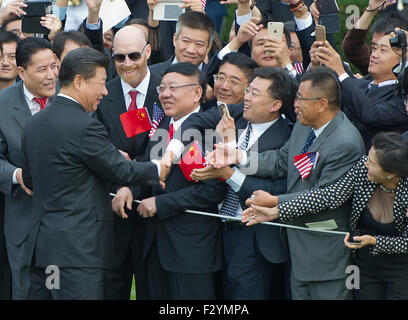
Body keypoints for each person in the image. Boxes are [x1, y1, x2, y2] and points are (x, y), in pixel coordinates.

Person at [206, 67, 365, 300]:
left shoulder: (345, 141)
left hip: (327, 254)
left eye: (301, 98)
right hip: (297, 251)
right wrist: (237, 156)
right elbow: (282, 161)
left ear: (322, 104)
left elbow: (327, 196)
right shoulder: (303, 126)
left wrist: (275, 203)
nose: (295, 104)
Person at [21, 47, 161, 300]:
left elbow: (30, 180)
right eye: (100, 84)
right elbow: (122, 171)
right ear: (78, 81)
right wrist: (162, 166)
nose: (105, 91)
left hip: (45, 252)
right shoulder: (85, 126)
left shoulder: (34, 123)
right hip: (77, 255)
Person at [244, 132, 408, 300]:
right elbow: (330, 196)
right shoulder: (362, 169)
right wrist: (276, 210)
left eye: (372, 163)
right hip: (364, 266)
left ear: (391, 173)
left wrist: (374, 241)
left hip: (401, 268)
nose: (365, 163)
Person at [112, 62, 225, 300]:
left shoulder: (210, 131)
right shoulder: (159, 123)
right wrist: (127, 187)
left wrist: (160, 204)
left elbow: (212, 191)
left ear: (197, 93)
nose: (164, 94)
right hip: (151, 246)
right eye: (162, 88)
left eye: (173, 88)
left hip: (191, 251)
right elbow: (144, 162)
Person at [190, 67, 297, 300]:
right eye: (248, 90)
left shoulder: (286, 140)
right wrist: (221, 146)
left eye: (255, 93)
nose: (246, 97)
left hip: (253, 237)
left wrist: (228, 174)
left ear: (275, 105)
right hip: (217, 231)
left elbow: (273, 193)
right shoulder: (232, 124)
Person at [96, 25, 162, 300]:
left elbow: (167, 147)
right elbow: (94, 144)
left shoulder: (165, 90)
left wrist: (128, 167)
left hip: (155, 214)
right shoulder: (102, 94)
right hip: (114, 215)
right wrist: (112, 158)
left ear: (147, 51)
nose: (127, 64)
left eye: (134, 56)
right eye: (119, 57)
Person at [0, 37, 58, 299]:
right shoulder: (2, 104)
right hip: (22, 222)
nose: (51, 76)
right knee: (25, 292)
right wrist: (15, 175)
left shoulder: (70, 97)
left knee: (57, 289)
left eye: (54, 66)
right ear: (21, 72)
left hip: (64, 225)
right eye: (42, 69)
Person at [313, 29, 408, 151]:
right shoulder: (360, 84)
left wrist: (341, 72)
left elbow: (371, 115)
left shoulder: (402, 99)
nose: (373, 54)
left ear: (401, 62)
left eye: (383, 50)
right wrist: (317, 64)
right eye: (374, 49)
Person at [342, 0, 402, 76]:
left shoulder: (403, 81)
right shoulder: (373, 65)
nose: (374, 55)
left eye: (383, 49)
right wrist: (370, 11)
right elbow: (352, 48)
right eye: (374, 47)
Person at [149, 10, 215, 77]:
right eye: (186, 41)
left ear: (208, 47)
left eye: (199, 44)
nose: (191, 50)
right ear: (175, 39)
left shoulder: (214, 79)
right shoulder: (152, 74)